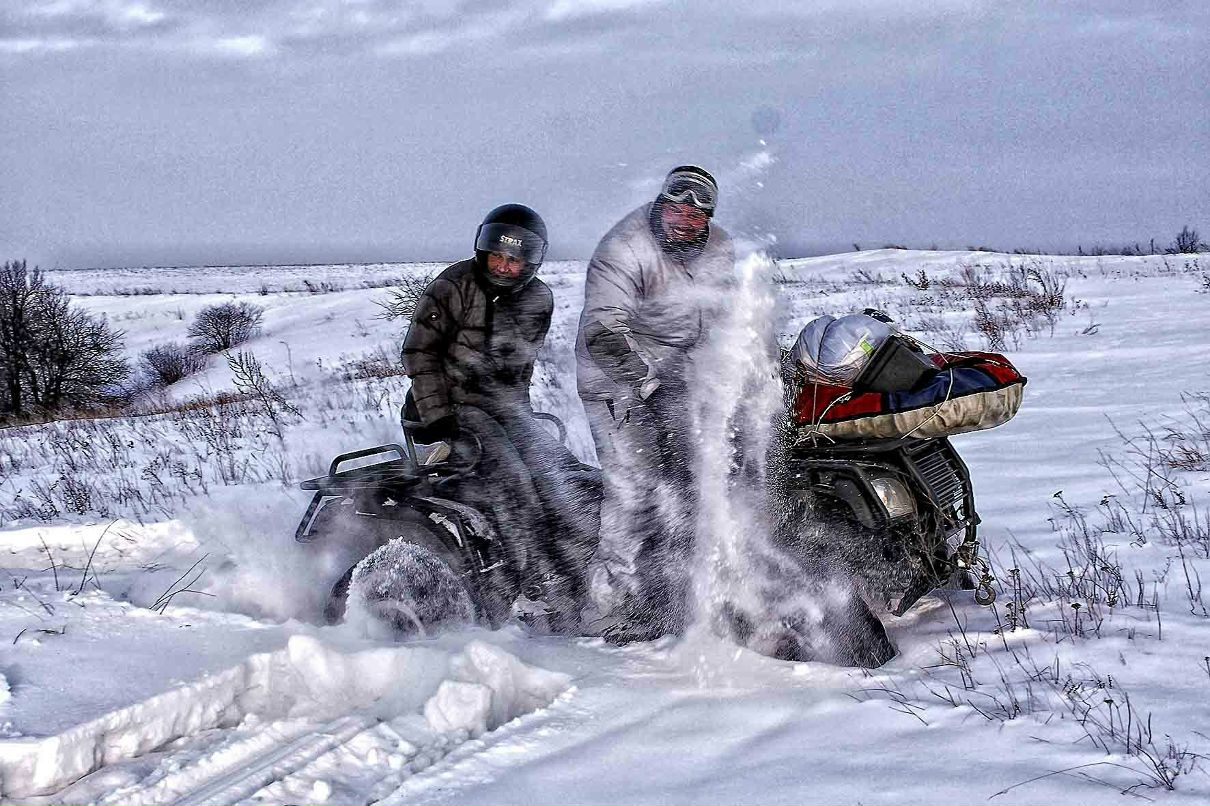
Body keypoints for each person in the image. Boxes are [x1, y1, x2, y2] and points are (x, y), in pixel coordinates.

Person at [402, 203, 596, 631]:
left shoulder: (539, 297)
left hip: (502, 407)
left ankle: (589, 558)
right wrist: (439, 419)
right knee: (514, 478)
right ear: (483, 249)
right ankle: (532, 581)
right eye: (498, 256)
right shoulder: (454, 285)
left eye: (516, 259)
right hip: (444, 408)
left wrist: (522, 421)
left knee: (564, 470)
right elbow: (419, 352)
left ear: (532, 261)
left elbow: (520, 367)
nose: (505, 266)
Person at [575, 165, 735, 640]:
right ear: (660, 204)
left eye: (696, 209)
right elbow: (604, 331)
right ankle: (611, 605)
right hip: (616, 377)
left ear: (708, 215)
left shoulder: (720, 247)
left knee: (704, 475)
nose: (684, 216)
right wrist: (649, 385)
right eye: (675, 205)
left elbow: (725, 317)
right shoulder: (624, 249)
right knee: (637, 487)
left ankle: (687, 582)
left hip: (681, 375)